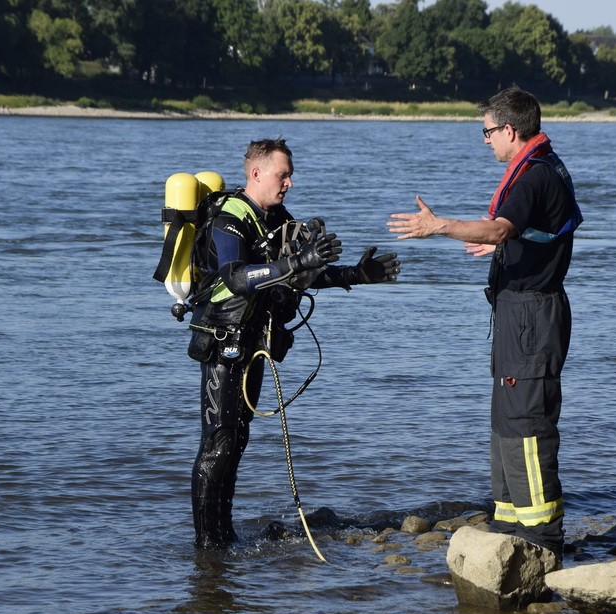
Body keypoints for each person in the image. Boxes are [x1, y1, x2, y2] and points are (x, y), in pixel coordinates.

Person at [387, 87, 582, 562]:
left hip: (532, 316)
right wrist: (500, 246)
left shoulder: (535, 176)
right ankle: (509, 521)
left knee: (527, 422)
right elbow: (516, 233)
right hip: (520, 312)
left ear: (510, 131)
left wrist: (440, 226)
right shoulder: (542, 167)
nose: (486, 141)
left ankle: (542, 539)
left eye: (488, 132)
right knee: (505, 420)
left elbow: (500, 227)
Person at [188, 138, 400, 549]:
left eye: (290, 175)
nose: (289, 183)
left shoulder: (276, 218)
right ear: (256, 173)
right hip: (222, 341)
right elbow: (235, 276)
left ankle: (223, 534)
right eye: (282, 175)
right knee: (219, 440)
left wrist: (356, 274)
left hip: (254, 342)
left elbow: (304, 275)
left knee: (238, 438)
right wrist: (297, 262)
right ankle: (206, 544)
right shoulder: (230, 218)